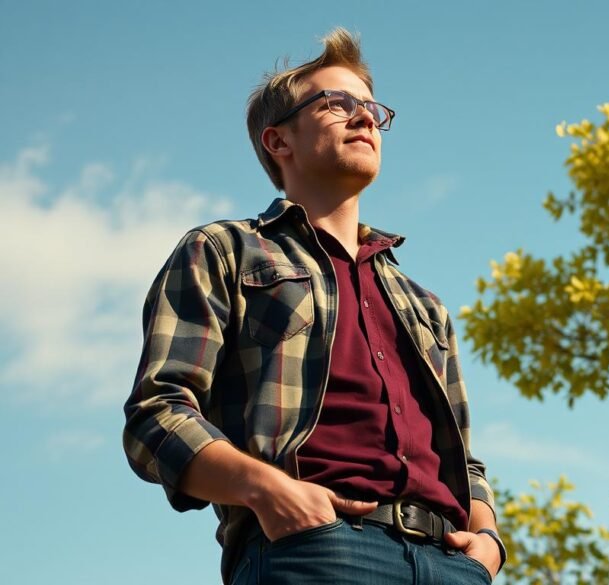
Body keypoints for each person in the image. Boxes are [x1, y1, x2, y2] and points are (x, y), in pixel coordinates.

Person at [122, 28, 504, 585]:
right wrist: (265, 490)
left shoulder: (424, 304)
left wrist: (487, 541)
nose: (365, 118)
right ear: (279, 142)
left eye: (372, 108)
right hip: (316, 549)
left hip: (454, 565)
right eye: (337, 104)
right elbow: (157, 413)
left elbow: (464, 460)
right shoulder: (225, 250)